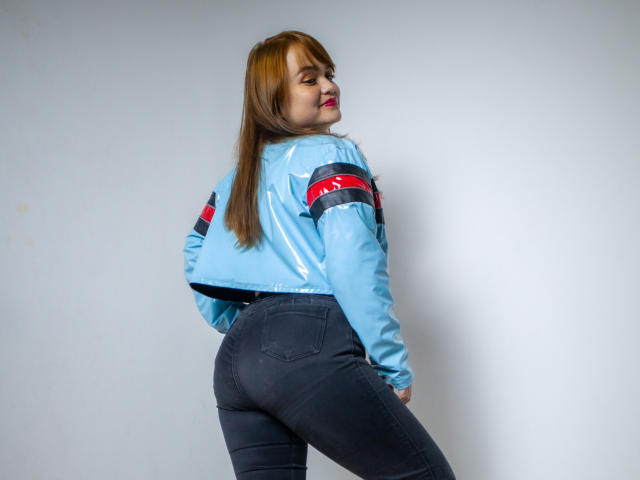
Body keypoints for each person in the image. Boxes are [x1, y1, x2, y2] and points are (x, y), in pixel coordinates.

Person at [183, 30, 456, 480]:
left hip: (236, 362)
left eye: (329, 74)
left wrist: (244, 326)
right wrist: (391, 362)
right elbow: (355, 261)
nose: (329, 85)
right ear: (273, 97)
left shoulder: (236, 179)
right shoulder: (332, 154)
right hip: (308, 342)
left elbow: (195, 255)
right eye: (310, 79)